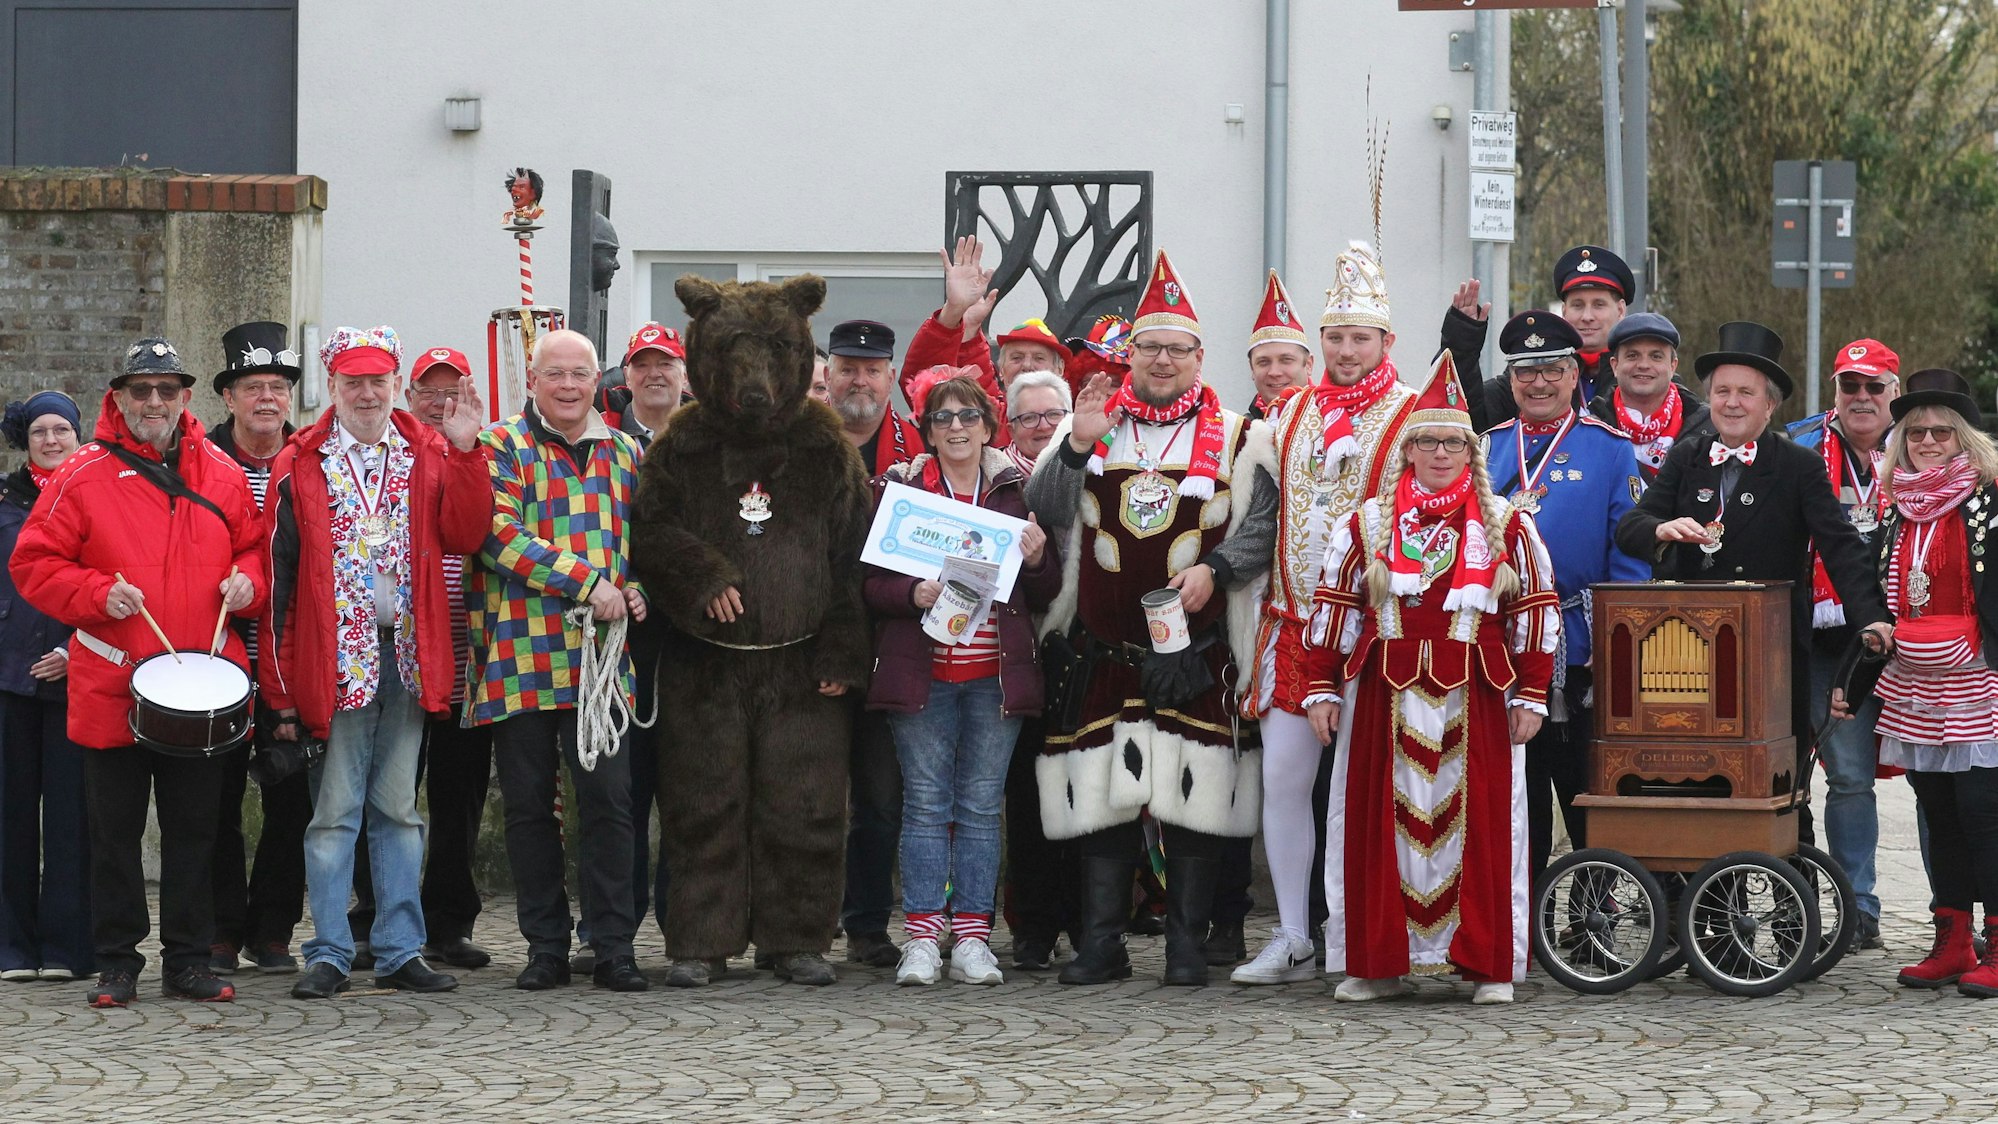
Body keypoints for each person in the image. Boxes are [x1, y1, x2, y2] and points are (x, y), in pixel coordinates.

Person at [1025, 249, 1278, 986]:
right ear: (1129, 354)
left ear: (1199, 357)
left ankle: (1186, 947)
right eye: (1150, 347)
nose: (1162, 360)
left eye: (1177, 349)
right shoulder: (1094, 426)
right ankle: (1102, 945)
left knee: (1196, 802)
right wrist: (1076, 443)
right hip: (1104, 653)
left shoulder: (1241, 436)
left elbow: (1262, 528)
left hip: (1198, 654)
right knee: (1103, 799)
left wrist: (1215, 570)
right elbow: (1045, 511)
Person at [10, 336, 267, 1007]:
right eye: (141, 389)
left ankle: (188, 960)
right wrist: (97, 594)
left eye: (166, 389)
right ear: (119, 397)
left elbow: (254, 551)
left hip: (201, 686)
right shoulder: (79, 473)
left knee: (195, 832)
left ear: (186, 397)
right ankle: (117, 962)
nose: (154, 401)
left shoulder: (223, 472)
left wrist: (250, 581)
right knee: (113, 837)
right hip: (111, 684)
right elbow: (33, 564)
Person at [1303, 358, 1559, 1005]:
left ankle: (1487, 964)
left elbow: (1534, 611)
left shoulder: (1507, 523)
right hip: (1381, 695)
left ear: (1470, 452)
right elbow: (1333, 607)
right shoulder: (1367, 524)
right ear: (1408, 449)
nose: (1440, 453)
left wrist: (1532, 694)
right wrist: (1321, 688)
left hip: (1478, 693)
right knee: (1373, 828)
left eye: (1453, 443)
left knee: (1485, 830)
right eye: (1428, 441)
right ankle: (1377, 961)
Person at [261, 326, 491, 1000]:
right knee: (334, 812)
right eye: (353, 382)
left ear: (396, 385)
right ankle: (330, 950)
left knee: (398, 810)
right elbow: (277, 580)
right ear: (333, 387)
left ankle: (398, 948)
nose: (367, 393)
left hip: (408, 654)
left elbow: (467, 534)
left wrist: (469, 452)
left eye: (378, 381)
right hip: (335, 657)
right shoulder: (300, 462)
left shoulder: (429, 452)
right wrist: (279, 685)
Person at [1615, 322, 1894, 850]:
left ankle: (1792, 884)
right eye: (1722, 391)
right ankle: (1695, 888)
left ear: (1769, 406)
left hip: (1771, 654)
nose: (1732, 402)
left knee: (1779, 778)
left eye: (1746, 392)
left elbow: (1841, 548)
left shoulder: (1798, 465)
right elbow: (1630, 526)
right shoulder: (1688, 456)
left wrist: (1872, 618)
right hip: (1693, 654)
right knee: (1701, 772)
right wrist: (1660, 529)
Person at [1233, 240, 1415, 987]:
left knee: (1372, 791)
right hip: (1294, 627)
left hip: (1376, 634)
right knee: (1283, 779)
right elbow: (1260, 515)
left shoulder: (1413, 414)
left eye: (1359, 338)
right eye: (1335, 337)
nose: (1345, 351)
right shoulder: (1289, 412)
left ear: (1385, 341)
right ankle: (1293, 934)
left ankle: (1369, 934)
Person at [862, 376, 1060, 985]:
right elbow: (868, 586)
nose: (956, 428)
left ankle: (973, 937)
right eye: (943, 418)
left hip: (993, 675)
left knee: (978, 807)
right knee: (925, 805)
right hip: (922, 674)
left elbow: (1046, 591)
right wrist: (912, 593)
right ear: (927, 430)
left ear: (988, 426)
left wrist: (1037, 559)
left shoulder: (1015, 492)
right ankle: (923, 938)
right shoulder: (900, 490)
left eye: (968, 416)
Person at [469, 329, 649, 993]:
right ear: (534, 380)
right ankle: (544, 946)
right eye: (555, 374)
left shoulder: (627, 452)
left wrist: (637, 587)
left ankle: (613, 947)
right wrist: (588, 582)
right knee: (527, 809)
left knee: (609, 804)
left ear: (598, 381)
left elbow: (645, 543)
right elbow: (498, 536)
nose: (569, 386)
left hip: (601, 662)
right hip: (521, 655)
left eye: (580, 374)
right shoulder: (501, 445)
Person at [1479, 311, 1650, 877]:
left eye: (1552, 369)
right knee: (1515, 801)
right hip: (1500, 650)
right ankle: (1520, 918)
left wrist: (1613, 644)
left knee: (1587, 797)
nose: (1539, 383)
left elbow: (1630, 558)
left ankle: (1589, 916)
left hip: (1578, 649)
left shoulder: (1609, 448)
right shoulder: (1485, 450)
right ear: (1511, 380)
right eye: (1525, 371)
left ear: (1575, 374)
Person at [1848, 369, 1998, 996]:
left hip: (1980, 678)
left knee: (1984, 811)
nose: (1928, 442)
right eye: (1916, 433)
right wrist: (1857, 675)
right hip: (1915, 678)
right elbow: (1883, 596)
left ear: (1964, 438)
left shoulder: (1991, 499)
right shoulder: (1899, 509)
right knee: (1938, 811)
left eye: (1941, 431)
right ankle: (1953, 939)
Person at [1788, 337, 1901, 950]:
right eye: (1849, 385)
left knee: (1933, 778)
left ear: (1893, 392)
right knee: (1850, 775)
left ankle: (1953, 912)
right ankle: (1859, 908)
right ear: (1834, 391)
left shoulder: (1921, 447)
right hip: (1830, 639)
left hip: (1910, 642)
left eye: (1873, 386)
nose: (1861, 397)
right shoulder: (1802, 448)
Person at [205, 321, 310, 976]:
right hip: (216, 653)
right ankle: (219, 929)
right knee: (214, 801)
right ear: (229, 396)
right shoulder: (198, 462)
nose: (267, 398)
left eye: (278, 385)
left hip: (293, 657)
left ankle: (272, 930)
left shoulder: (312, 460)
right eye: (253, 386)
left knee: (294, 801)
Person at [827, 317, 922, 968]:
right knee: (803, 796)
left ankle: (866, 925)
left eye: (871, 370)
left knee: (883, 800)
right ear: (828, 375)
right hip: (813, 652)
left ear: (891, 378)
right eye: (848, 369)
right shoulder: (799, 447)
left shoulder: (919, 451)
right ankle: (799, 926)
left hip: (894, 650)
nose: (859, 380)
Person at [406, 346, 499, 970]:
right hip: (402, 658)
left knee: (458, 797)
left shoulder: (490, 455)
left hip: (468, 659)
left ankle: (448, 922)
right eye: (428, 392)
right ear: (408, 396)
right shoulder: (393, 456)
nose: (440, 404)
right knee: (388, 795)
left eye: (452, 392)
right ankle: (375, 916)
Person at [0, 392, 90, 984]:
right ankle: (11, 946)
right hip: (7, 678)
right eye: (40, 432)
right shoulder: (5, 502)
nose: (52, 440)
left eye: (62, 429)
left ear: (79, 436)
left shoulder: (96, 496)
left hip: (78, 679)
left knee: (70, 817)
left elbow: (115, 577)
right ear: (25, 440)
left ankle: (66, 946)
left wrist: (72, 650)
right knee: (8, 815)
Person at [1453, 245, 1634, 431]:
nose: (1587, 316)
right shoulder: (1533, 364)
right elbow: (1469, 414)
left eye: (1599, 305)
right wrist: (1462, 341)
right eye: (1577, 305)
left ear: (1620, 310)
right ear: (1564, 311)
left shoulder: (1637, 370)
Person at [1587, 311, 1715, 481]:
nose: (1644, 365)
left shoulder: (1711, 427)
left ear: (1673, 366)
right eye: (1632, 356)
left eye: (1656, 356)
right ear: (1615, 366)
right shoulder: (1589, 429)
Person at [1244, 270, 1316, 421]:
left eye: (1286, 360)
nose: (1274, 372)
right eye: (1263, 362)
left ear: (1309, 365)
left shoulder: (1332, 423)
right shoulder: (1238, 431)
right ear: (1252, 369)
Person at [605, 322, 688, 444]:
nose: (654, 374)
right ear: (627, 377)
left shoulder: (713, 436)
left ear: (685, 376)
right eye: (642, 365)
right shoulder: (598, 435)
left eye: (665, 364)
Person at [1001, 370, 1071, 474]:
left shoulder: (1094, 471)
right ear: (1012, 431)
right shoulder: (989, 478)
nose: (1044, 426)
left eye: (1053, 414)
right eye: (1029, 418)